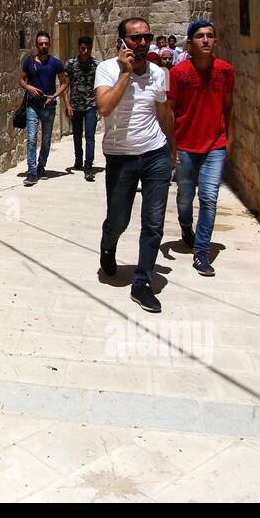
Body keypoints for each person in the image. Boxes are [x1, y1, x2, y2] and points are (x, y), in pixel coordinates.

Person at [94, 17, 175, 313]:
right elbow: (104, 108)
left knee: (153, 223)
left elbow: (165, 114)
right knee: (119, 220)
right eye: (135, 38)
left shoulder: (159, 73)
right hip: (120, 156)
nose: (142, 43)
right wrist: (126, 74)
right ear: (122, 42)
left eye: (146, 37)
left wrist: (172, 149)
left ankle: (142, 282)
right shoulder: (106, 69)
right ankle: (108, 244)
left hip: (155, 154)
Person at [167, 19, 235, 277]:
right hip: (185, 146)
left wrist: (230, 137)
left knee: (209, 198)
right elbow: (170, 111)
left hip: (215, 145)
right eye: (200, 36)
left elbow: (229, 106)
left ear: (215, 40)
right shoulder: (179, 73)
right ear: (190, 43)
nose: (205, 40)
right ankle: (186, 225)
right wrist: (172, 145)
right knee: (185, 196)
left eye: (209, 35)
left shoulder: (226, 71)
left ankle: (202, 252)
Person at [19, 31, 67, 186]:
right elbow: (21, 80)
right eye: (41, 43)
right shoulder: (29, 61)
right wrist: (29, 88)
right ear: (36, 45)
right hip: (32, 105)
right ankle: (31, 172)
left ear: (50, 44)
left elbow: (65, 83)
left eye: (46, 43)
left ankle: (41, 167)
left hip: (48, 105)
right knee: (32, 138)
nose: (44, 46)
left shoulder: (56, 63)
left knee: (46, 140)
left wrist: (54, 96)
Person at [63, 36, 99, 181]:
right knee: (77, 136)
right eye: (83, 48)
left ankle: (88, 167)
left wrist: (99, 106)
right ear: (78, 48)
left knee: (90, 137)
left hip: (91, 105)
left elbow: (100, 87)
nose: (85, 51)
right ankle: (78, 159)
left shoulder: (97, 65)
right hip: (76, 106)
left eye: (88, 49)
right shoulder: (71, 64)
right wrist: (67, 105)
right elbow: (65, 86)